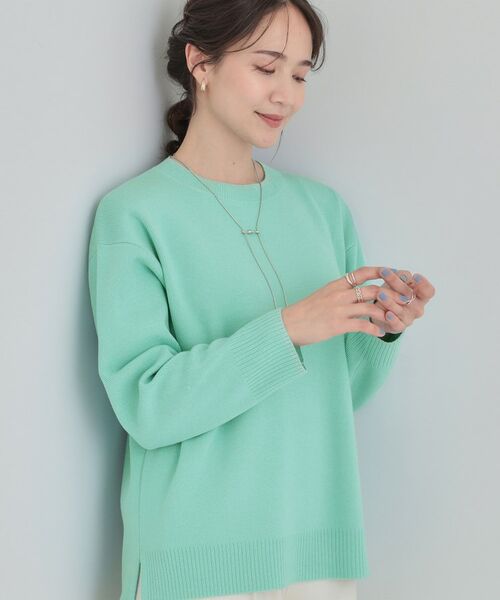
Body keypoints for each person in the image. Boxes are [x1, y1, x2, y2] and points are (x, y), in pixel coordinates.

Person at [88, 1, 435, 598]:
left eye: (299, 75)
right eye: (267, 68)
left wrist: (385, 331)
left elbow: (335, 396)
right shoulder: (136, 214)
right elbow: (148, 405)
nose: (287, 96)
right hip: (195, 564)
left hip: (316, 556)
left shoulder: (324, 211)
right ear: (201, 62)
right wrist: (290, 328)